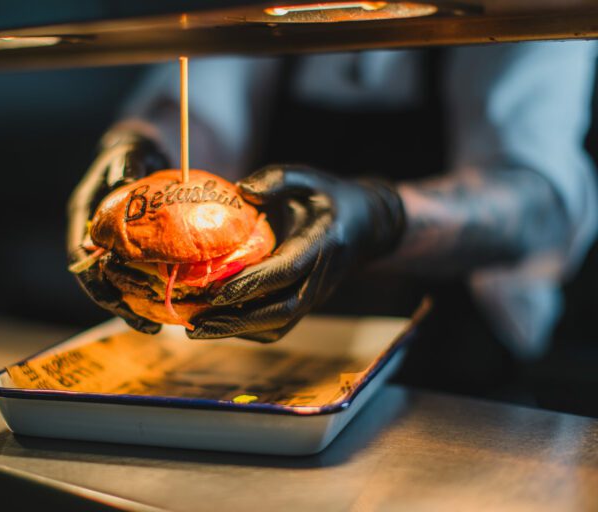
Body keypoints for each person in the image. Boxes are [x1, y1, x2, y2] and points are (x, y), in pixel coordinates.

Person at [68, 42, 598, 395]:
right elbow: (200, 97)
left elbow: (537, 198)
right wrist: (143, 148)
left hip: (454, 378)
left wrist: (384, 218)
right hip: (248, 372)